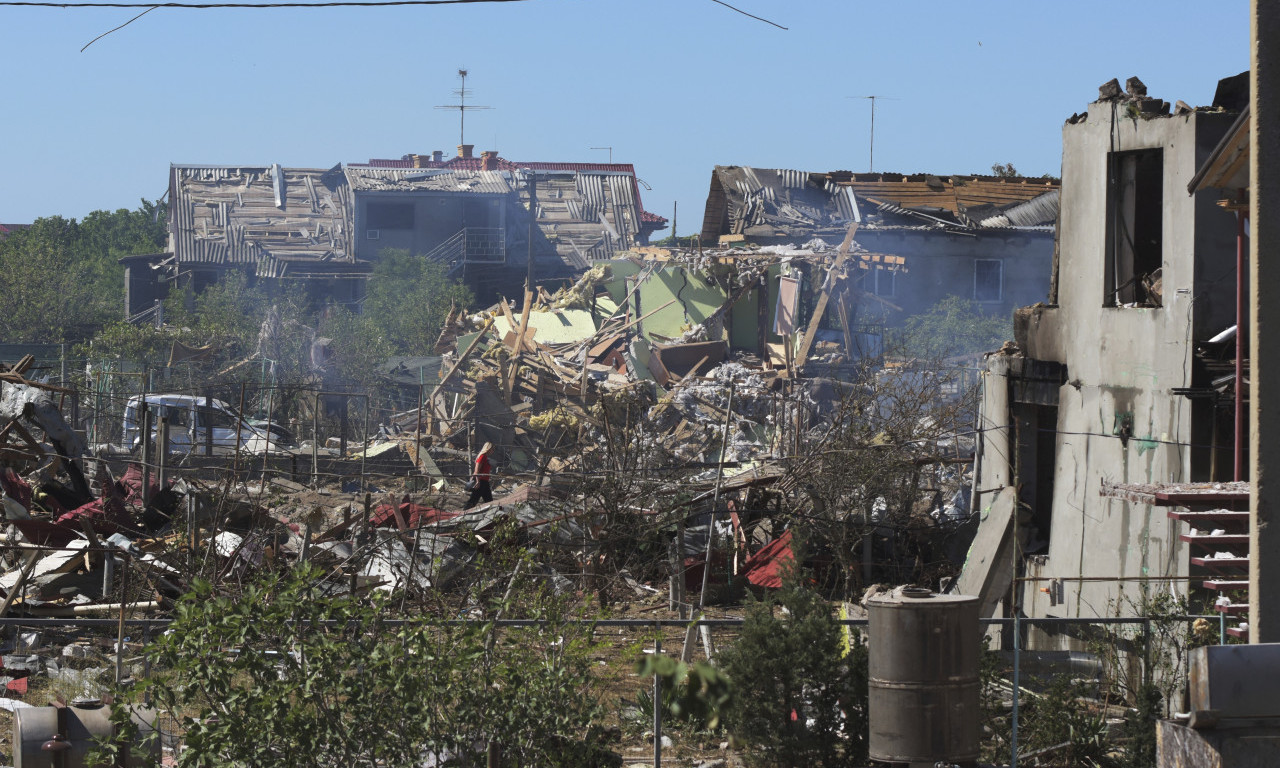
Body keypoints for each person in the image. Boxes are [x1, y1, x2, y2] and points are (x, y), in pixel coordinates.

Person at [464, 441, 494, 509]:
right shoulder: (482, 456)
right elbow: (476, 470)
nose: (493, 451)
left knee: (489, 500)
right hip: (481, 481)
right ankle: (464, 513)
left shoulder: (485, 457)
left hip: (485, 482)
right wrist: (478, 482)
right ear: (488, 448)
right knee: (473, 500)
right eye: (492, 449)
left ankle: (491, 514)